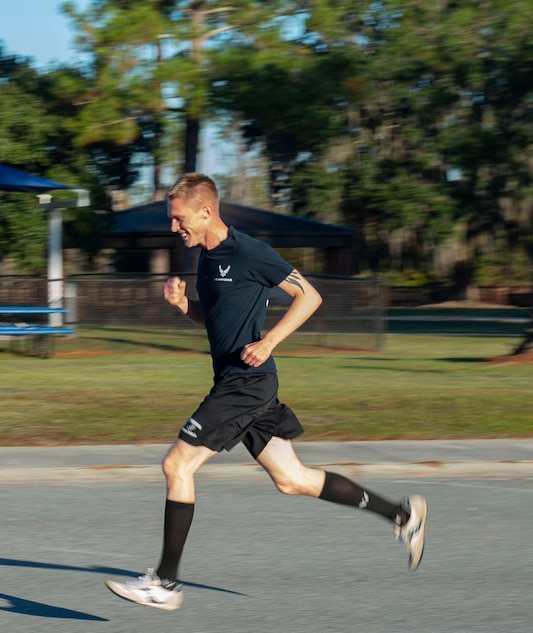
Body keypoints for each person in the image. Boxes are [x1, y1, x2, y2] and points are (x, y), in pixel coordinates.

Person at [106, 173, 426, 611]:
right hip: (237, 382)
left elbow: (309, 297)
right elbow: (216, 320)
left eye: (179, 219)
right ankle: (402, 515)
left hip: (247, 382)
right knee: (292, 480)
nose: (174, 228)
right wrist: (184, 307)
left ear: (206, 211)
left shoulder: (250, 252)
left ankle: (164, 583)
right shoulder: (205, 255)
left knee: (176, 464)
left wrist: (271, 340)